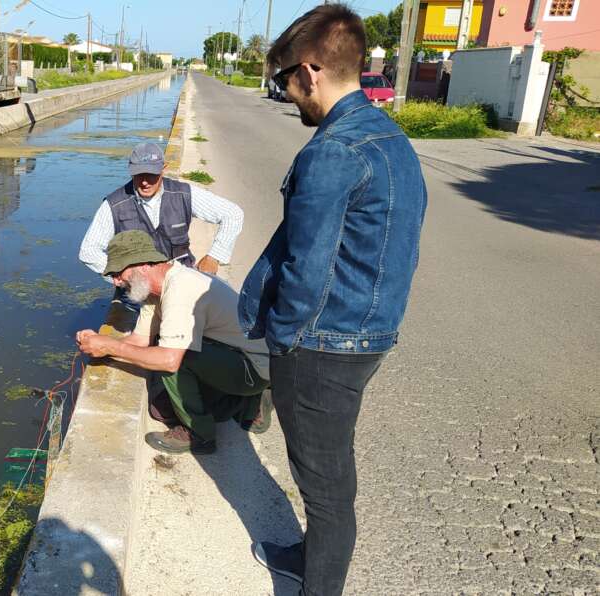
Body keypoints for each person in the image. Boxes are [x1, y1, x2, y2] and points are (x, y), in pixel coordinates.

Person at [239, 5, 427, 595]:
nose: (287, 95)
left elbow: (306, 267)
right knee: (327, 475)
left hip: (323, 345)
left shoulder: (332, 151)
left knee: (324, 487)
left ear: (311, 70)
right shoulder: (390, 138)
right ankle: (306, 555)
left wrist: (284, 340)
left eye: (284, 81)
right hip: (367, 332)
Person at [75, 230, 270, 455]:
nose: (116, 281)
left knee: (176, 356)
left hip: (253, 368)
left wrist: (110, 346)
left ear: (144, 264)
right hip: (238, 355)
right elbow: (140, 340)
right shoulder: (155, 290)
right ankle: (249, 406)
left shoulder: (180, 289)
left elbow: (169, 360)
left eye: (119, 272)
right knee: (162, 408)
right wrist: (101, 345)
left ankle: (200, 434)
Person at [79, 142, 243, 280]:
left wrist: (214, 257)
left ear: (163, 169)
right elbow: (88, 251)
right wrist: (121, 273)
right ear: (130, 170)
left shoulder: (184, 194)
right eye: (139, 174)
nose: (144, 182)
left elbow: (233, 214)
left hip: (180, 279)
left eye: (151, 174)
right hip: (138, 289)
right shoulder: (114, 205)